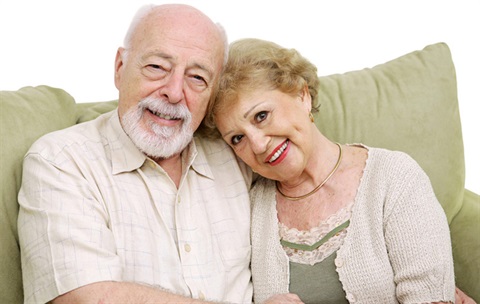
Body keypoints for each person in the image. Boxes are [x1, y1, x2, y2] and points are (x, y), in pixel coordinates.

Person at [17, 4, 255, 304]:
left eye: (197, 78)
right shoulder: (61, 161)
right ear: (119, 67)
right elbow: (83, 298)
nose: (174, 91)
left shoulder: (239, 152)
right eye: (157, 67)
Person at [206, 38, 474, 303]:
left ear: (302, 95)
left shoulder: (395, 178)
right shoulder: (247, 209)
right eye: (237, 139)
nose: (259, 144)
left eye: (261, 115)